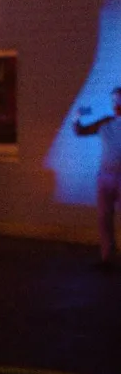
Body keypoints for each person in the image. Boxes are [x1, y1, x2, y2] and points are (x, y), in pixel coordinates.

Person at [73, 87, 121, 269]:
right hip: (105, 177)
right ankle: (107, 257)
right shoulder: (105, 123)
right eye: (114, 101)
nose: (116, 104)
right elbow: (80, 131)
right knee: (104, 217)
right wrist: (77, 116)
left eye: (119, 100)